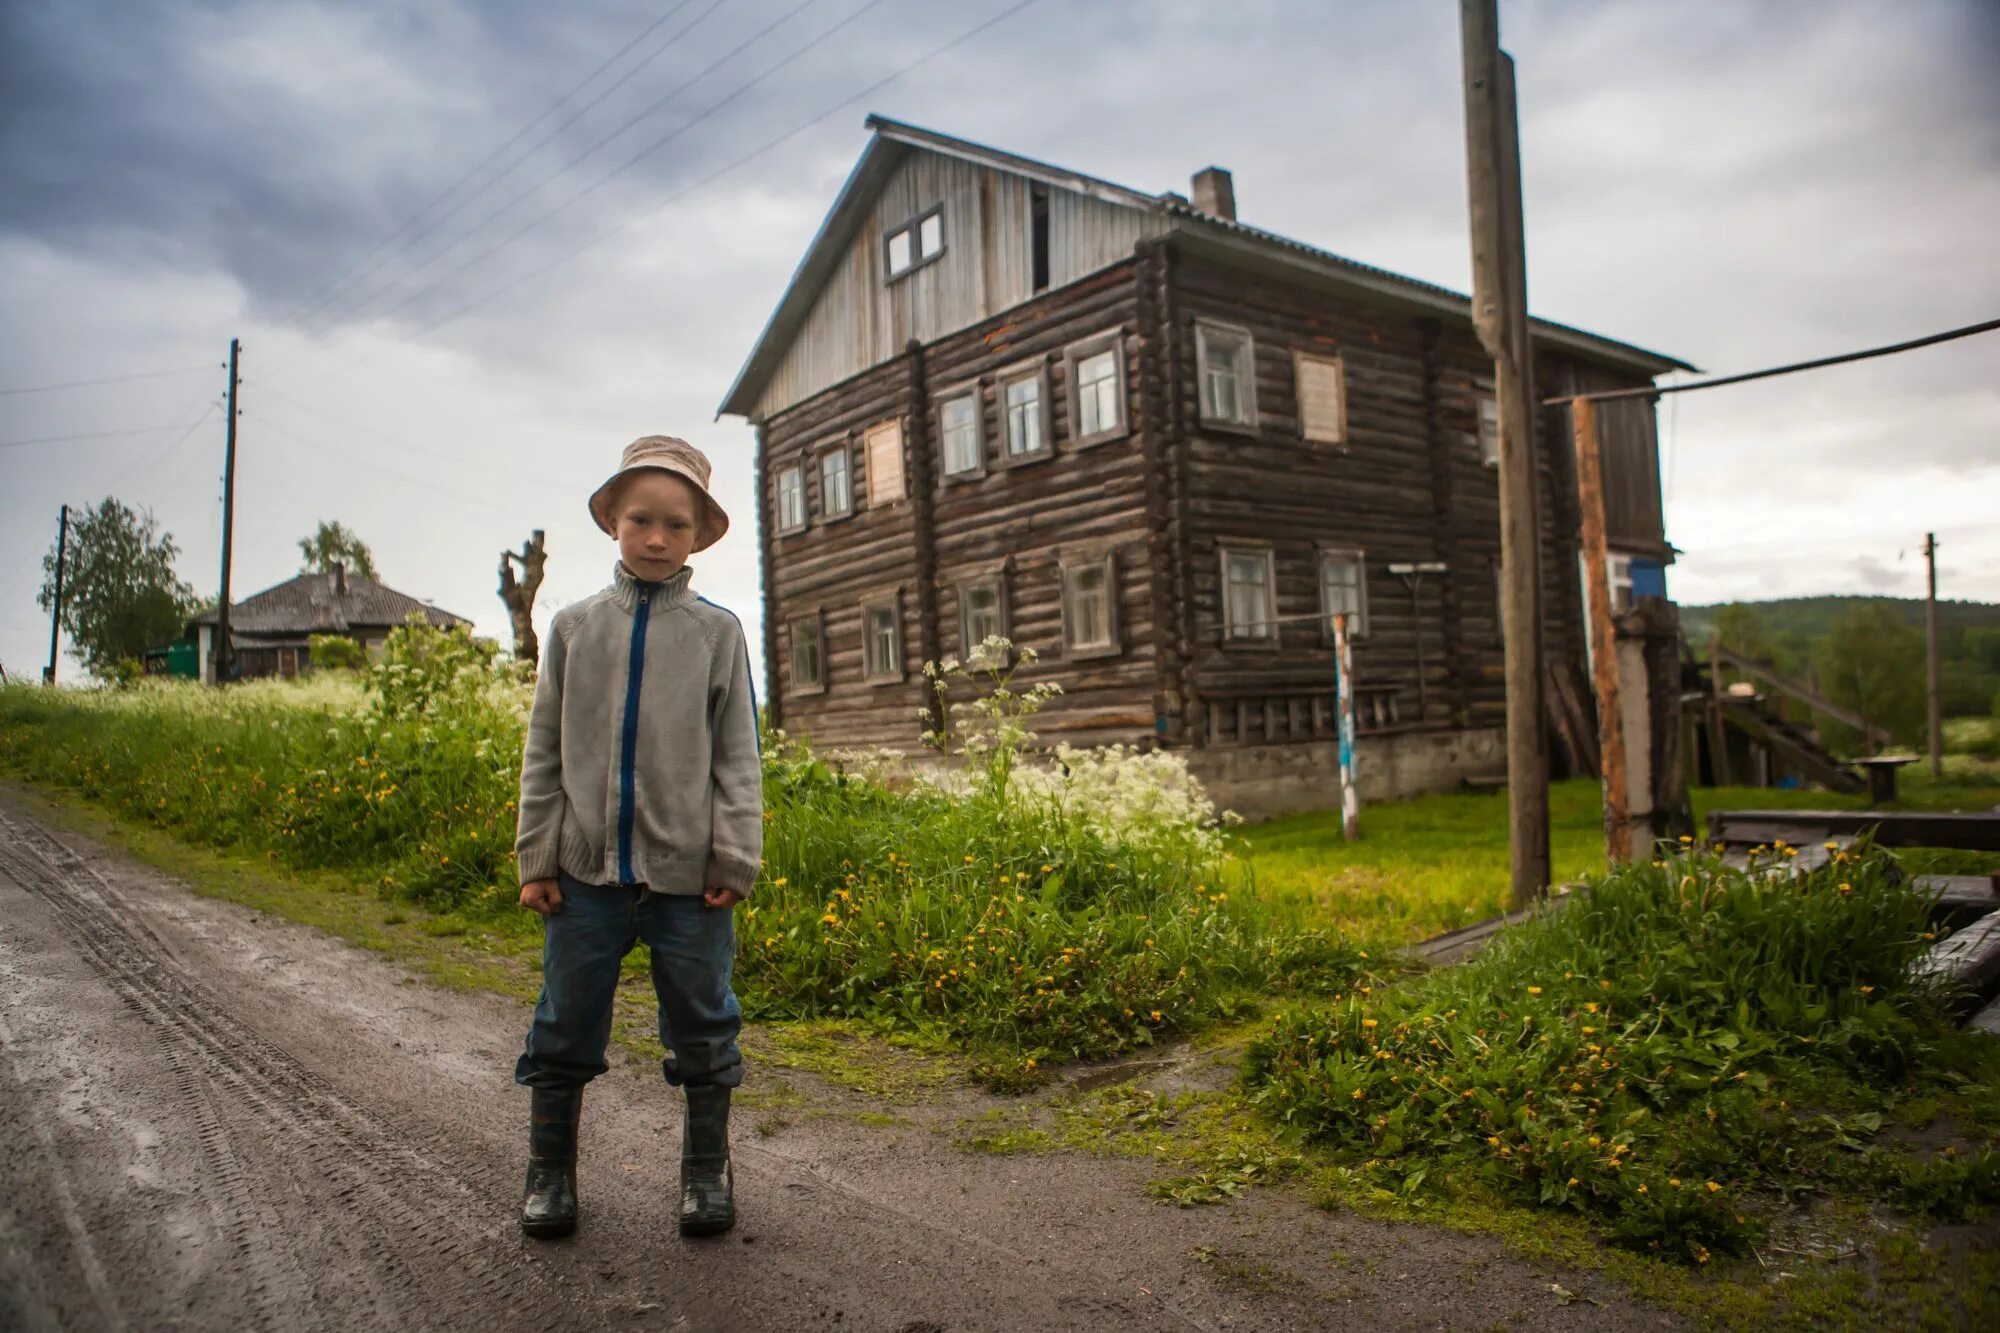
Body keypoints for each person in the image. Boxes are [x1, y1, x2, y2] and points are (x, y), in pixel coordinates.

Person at [511, 435, 761, 1240]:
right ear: (613, 521)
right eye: (642, 520)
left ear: (699, 535)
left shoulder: (718, 635)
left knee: (702, 1021)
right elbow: (544, 750)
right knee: (566, 1019)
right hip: (583, 875)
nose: (658, 539)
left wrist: (734, 855)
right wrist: (537, 856)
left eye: (677, 526)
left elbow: (738, 757)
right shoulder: (575, 629)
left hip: (690, 879)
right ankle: (549, 1173)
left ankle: (705, 1172)